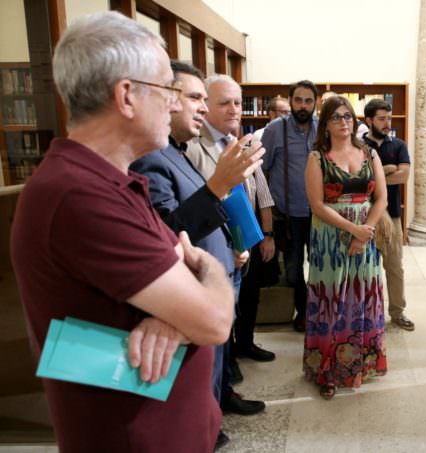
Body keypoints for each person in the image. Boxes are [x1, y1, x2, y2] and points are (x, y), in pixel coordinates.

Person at [10, 12, 235, 452]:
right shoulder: (78, 195)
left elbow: (195, 311)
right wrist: (206, 271)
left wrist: (177, 319)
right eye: (169, 89)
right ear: (127, 96)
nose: (176, 104)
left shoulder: (113, 180)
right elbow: (214, 320)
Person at [129, 62, 266, 449]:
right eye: (194, 98)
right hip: (187, 290)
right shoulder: (153, 159)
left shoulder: (176, 151)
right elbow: (167, 231)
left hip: (215, 277)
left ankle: (212, 420)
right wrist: (220, 184)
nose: (202, 108)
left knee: (216, 369)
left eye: (205, 99)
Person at [185, 75, 277, 363]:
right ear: (204, 106)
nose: (234, 109)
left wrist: (259, 236)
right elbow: (199, 204)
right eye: (225, 103)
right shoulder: (193, 147)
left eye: (237, 102)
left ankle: (236, 359)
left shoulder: (236, 142)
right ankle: (226, 375)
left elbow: (256, 190)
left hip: (241, 242)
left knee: (240, 307)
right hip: (213, 250)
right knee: (218, 325)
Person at [303, 95, 388, 399]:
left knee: (363, 298)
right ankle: (326, 370)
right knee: (331, 302)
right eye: (336, 117)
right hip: (330, 238)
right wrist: (352, 230)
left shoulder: (370, 153)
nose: (343, 122)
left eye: (348, 116)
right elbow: (316, 204)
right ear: (325, 124)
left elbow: (381, 198)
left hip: (366, 235)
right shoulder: (317, 158)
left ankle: (362, 364)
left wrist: (365, 233)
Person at [261, 80, 319, 332]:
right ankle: (303, 309)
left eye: (308, 100)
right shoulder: (275, 129)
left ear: (315, 103)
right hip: (288, 214)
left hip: (321, 214)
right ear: (291, 101)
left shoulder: (324, 128)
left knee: (320, 266)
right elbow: (261, 171)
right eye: (298, 100)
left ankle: (317, 311)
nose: (303, 106)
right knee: (294, 270)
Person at [362, 99, 415, 331]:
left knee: (394, 266)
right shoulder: (358, 146)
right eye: (381, 119)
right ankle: (367, 314)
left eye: (389, 118)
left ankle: (397, 312)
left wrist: (374, 177)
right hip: (363, 218)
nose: (387, 123)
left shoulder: (399, 145)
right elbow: (356, 179)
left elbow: (403, 177)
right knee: (364, 269)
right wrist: (385, 171)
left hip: (392, 215)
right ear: (369, 120)